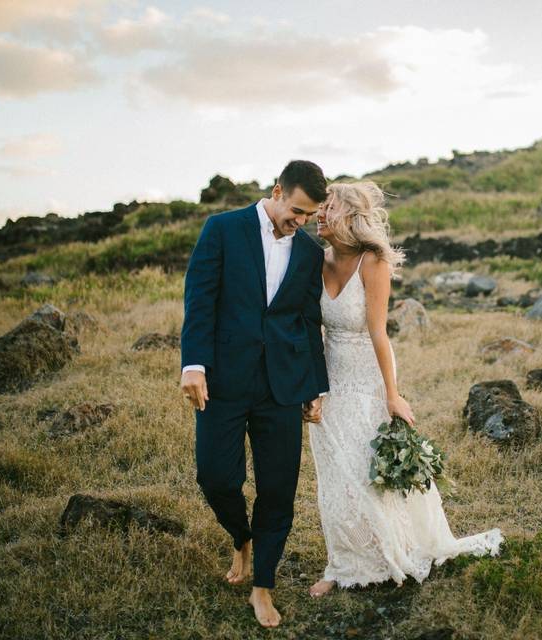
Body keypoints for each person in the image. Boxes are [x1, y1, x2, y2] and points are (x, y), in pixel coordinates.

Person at [307, 180, 502, 598]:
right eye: (319, 206)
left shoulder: (372, 261)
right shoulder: (316, 260)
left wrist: (392, 395)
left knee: (366, 466)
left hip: (368, 373)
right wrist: (312, 385)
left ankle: (390, 550)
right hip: (329, 375)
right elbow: (312, 328)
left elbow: (379, 332)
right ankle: (341, 564)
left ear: (351, 214)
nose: (319, 213)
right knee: (334, 472)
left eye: (328, 206)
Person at [179, 159, 329, 628]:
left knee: (278, 487)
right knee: (216, 477)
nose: (300, 222)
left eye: (308, 216)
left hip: (282, 385)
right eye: (297, 211)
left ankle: (262, 584)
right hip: (223, 379)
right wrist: (193, 364)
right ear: (278, 190)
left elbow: (308, 320)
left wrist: (313, 385)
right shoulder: (222, 229)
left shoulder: (308, 251)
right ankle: (241, 538)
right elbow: (200, 298)